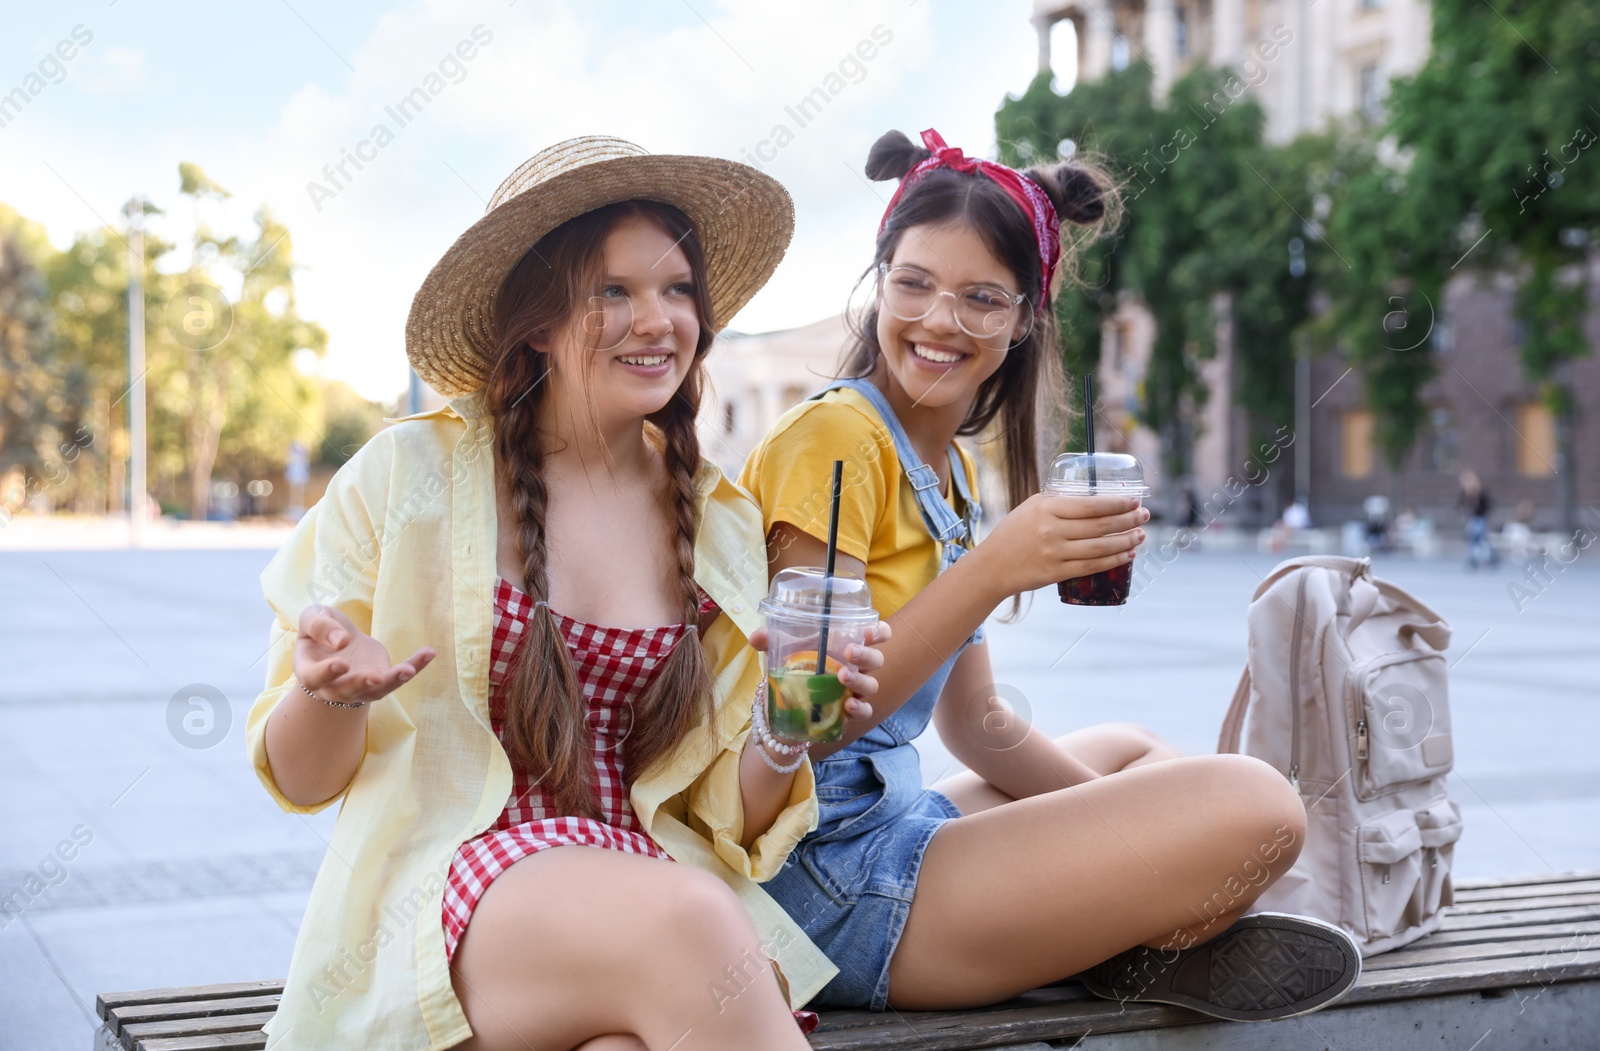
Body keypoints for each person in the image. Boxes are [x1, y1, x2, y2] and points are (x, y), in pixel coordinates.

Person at [246, 137, 890, 1050]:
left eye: (676, 291)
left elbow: (725, 822)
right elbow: (303, 777)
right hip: (454, 895)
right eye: (612, 291)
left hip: (640, 883)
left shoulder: (717, 520)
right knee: (700, 928)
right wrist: (326, 693)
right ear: (537, 320)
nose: (656, 320)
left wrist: (787, 725)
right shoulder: (406, 474)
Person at [739, 129, 1362, 1021]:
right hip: (825, 886)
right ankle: (1137, 939)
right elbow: (807, 725)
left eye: (981, 298)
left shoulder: (944, 469)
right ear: (879, 282)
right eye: (912, 283)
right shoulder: (835, 442)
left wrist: (1131, 831)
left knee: (1141, 756)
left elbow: (982, 726)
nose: (938, 320)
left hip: (892, 828)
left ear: (1026, 317)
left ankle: (1118, 933)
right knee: (1258, 804)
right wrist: (993, 568)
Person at [1459, 469, 1497, 569]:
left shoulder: (1480, 493)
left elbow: (1487, 505)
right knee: (1475, 539)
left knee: (1479, 538)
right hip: (1473, 519)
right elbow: (1460, 504)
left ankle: (1486, 557)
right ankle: (1476, 559)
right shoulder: (1466, 493)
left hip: (1480, 518)